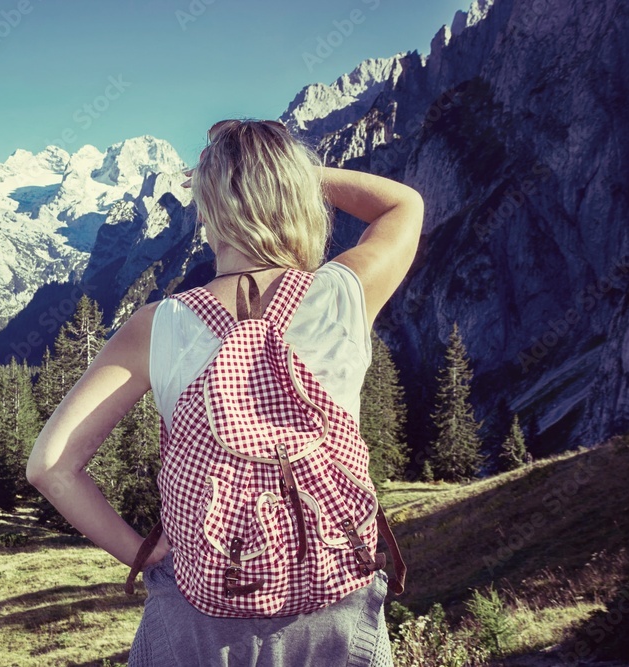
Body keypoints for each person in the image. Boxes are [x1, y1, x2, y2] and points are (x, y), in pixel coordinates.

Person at [26, 118, 424, 666]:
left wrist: (144, 554)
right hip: (336, 613)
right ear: (298, 199)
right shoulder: (343, 294)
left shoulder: (158, 325)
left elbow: (50, 467)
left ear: (207, 213)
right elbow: (403, 204)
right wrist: (285, 173)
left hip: (197, 616)